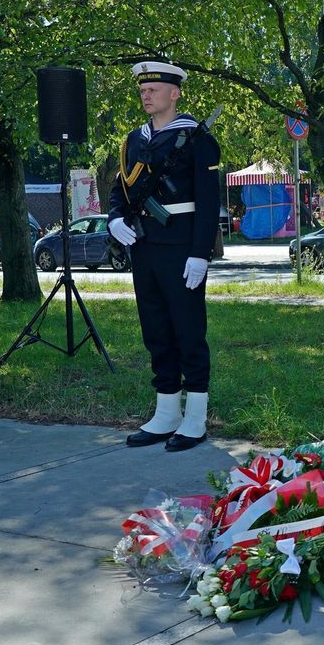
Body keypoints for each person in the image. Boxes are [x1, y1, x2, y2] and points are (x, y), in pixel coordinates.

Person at [108, 62, 222, 452]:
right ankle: (167, 412)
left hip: (182, 248)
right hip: (143, 245)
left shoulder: (197, 139)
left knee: (188, 329)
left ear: (174, 94)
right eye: (143, 90)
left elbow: (209, 204)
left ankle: (195, 417)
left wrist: (200, 253)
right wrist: (114, 219)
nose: (146, 95)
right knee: (155, 328)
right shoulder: (133, 141)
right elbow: (118, 188)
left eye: (154, 89)